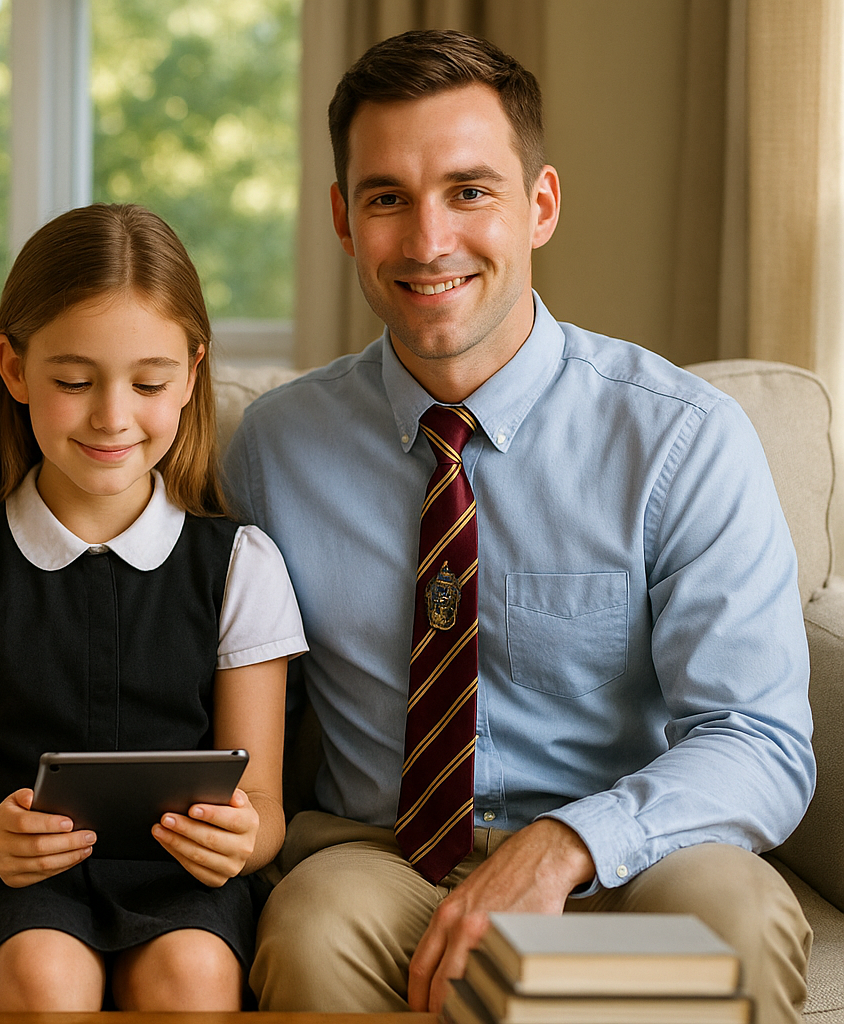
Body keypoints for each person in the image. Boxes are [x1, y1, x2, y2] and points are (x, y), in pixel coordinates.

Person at [225, 29, 815, 1024]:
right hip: (384, 862)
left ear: (539, 206)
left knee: (735, 916)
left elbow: (758, 737)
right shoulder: (271, 450)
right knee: (311, 922)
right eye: (386, 199)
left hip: (626, 860)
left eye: (468, 191)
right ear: (340, 218)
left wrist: (572, 842)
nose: (425, 240)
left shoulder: (681, 439)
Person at [0, 203, 307, 1012]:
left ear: (191, 374)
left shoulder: (240, 565)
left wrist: (244, 841)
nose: (112, 416)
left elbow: (264, 809)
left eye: (148, 383)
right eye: (74, 382)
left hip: (180, 888)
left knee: (194, 976)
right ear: (13, 369)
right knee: (48, 977)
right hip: (4, 884)